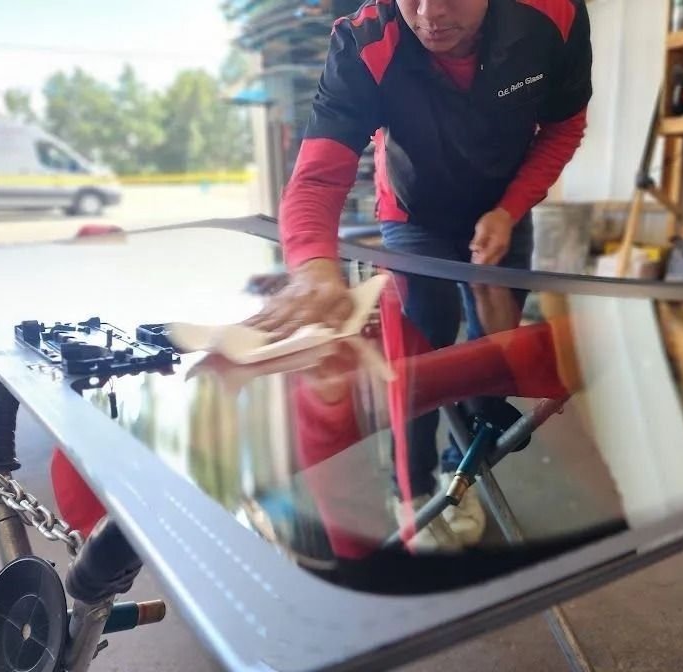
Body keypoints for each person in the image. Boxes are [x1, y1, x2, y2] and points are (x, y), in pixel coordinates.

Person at [248, 0, 592, 548]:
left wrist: (510, 208)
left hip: (501, 208)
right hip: (413, 216)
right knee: (415, 359)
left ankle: (465, 475)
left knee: (492, 361)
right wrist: (314, 266)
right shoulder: (365, 41)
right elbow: (317, 177)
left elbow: (563, 128)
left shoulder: (554, 15)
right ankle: (412, 487)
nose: (429, 13)